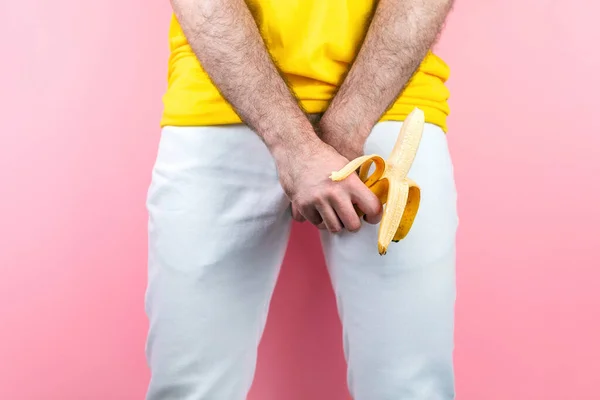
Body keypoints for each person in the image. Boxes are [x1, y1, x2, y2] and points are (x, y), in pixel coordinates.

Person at [145, 0, 458, 398]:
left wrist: (342, 129)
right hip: (220, 98)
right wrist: (294, 147)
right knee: (189, 386)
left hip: (390, 100)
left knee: (411, 387)